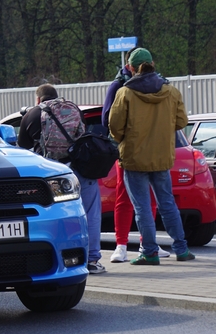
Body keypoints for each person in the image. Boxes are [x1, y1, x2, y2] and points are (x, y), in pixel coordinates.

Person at [109, 47, 194, 265]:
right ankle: (181, 249)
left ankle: (150, 251)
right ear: (152, 64)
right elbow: (182, 122)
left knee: (142, 208)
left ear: (131, 67)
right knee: (167, 204)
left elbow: (114, 127)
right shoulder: (171, 91)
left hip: (134, 158)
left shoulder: (125, 93)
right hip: (162, 157)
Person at [18, 84, 105, 274]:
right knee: (91, 214)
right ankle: (93, 260)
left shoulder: (31, 115)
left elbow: (22, 147)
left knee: (57, 216)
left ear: (38, 99)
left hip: (53, 175)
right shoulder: (72, 108)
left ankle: (67, 260)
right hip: (80, 168)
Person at [101, 48, 171, 263]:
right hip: (139, 150)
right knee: (133, 197)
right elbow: (108, 120)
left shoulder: (129, 85)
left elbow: (107, 121)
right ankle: (126, 244)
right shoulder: (157, 85)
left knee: (142, 198)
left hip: (138, 149)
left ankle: (141, 243)